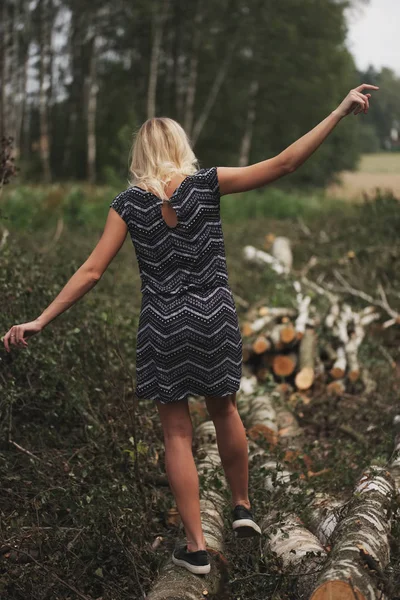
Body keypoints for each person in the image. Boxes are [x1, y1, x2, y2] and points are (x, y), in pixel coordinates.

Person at [3, 83, 378, 575]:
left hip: (162, 324)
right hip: (215, 315)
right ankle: (242, 508)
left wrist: (41, 318)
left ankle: (197, 547)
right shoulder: (207, 183)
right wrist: (338, 111)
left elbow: (92, 272)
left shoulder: (126, 204)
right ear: (180, 147)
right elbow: (286, 163)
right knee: (224, 410)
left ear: (140, 155)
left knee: (177, 434)